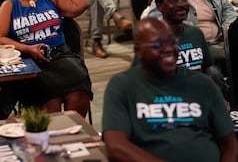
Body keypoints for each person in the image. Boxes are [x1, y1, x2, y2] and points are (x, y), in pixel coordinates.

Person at [102, 17, 238, 162]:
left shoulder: (203, 84)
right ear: (138, 51)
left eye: (172, 42)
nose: (168, 49)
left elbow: (230, 143)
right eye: (157, 45)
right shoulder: (123, 86)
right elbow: (116, 146)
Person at [0, 0, 92, 117]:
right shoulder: (10, 5)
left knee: (78, 89)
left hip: (61, 56)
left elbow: (82, 4)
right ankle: (51, 138)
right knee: (51, 101)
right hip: (31, 61)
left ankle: (75, 135)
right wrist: (28, 49)